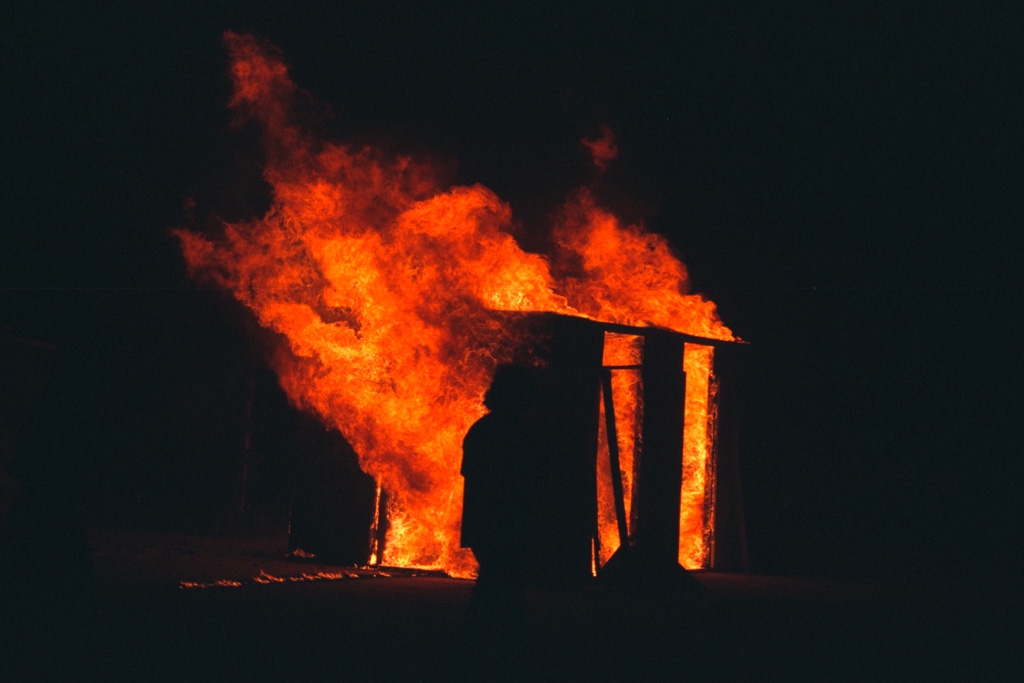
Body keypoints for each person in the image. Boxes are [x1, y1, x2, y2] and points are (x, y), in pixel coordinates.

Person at [459, 364, 543, 673]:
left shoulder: (482, 429)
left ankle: (481, 651)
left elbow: (471, 474)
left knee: (498, 585)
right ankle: (496, 654)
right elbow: (532, 479)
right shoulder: (516, 433)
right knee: (503, 586)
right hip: (505, 523)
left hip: (487, 524)